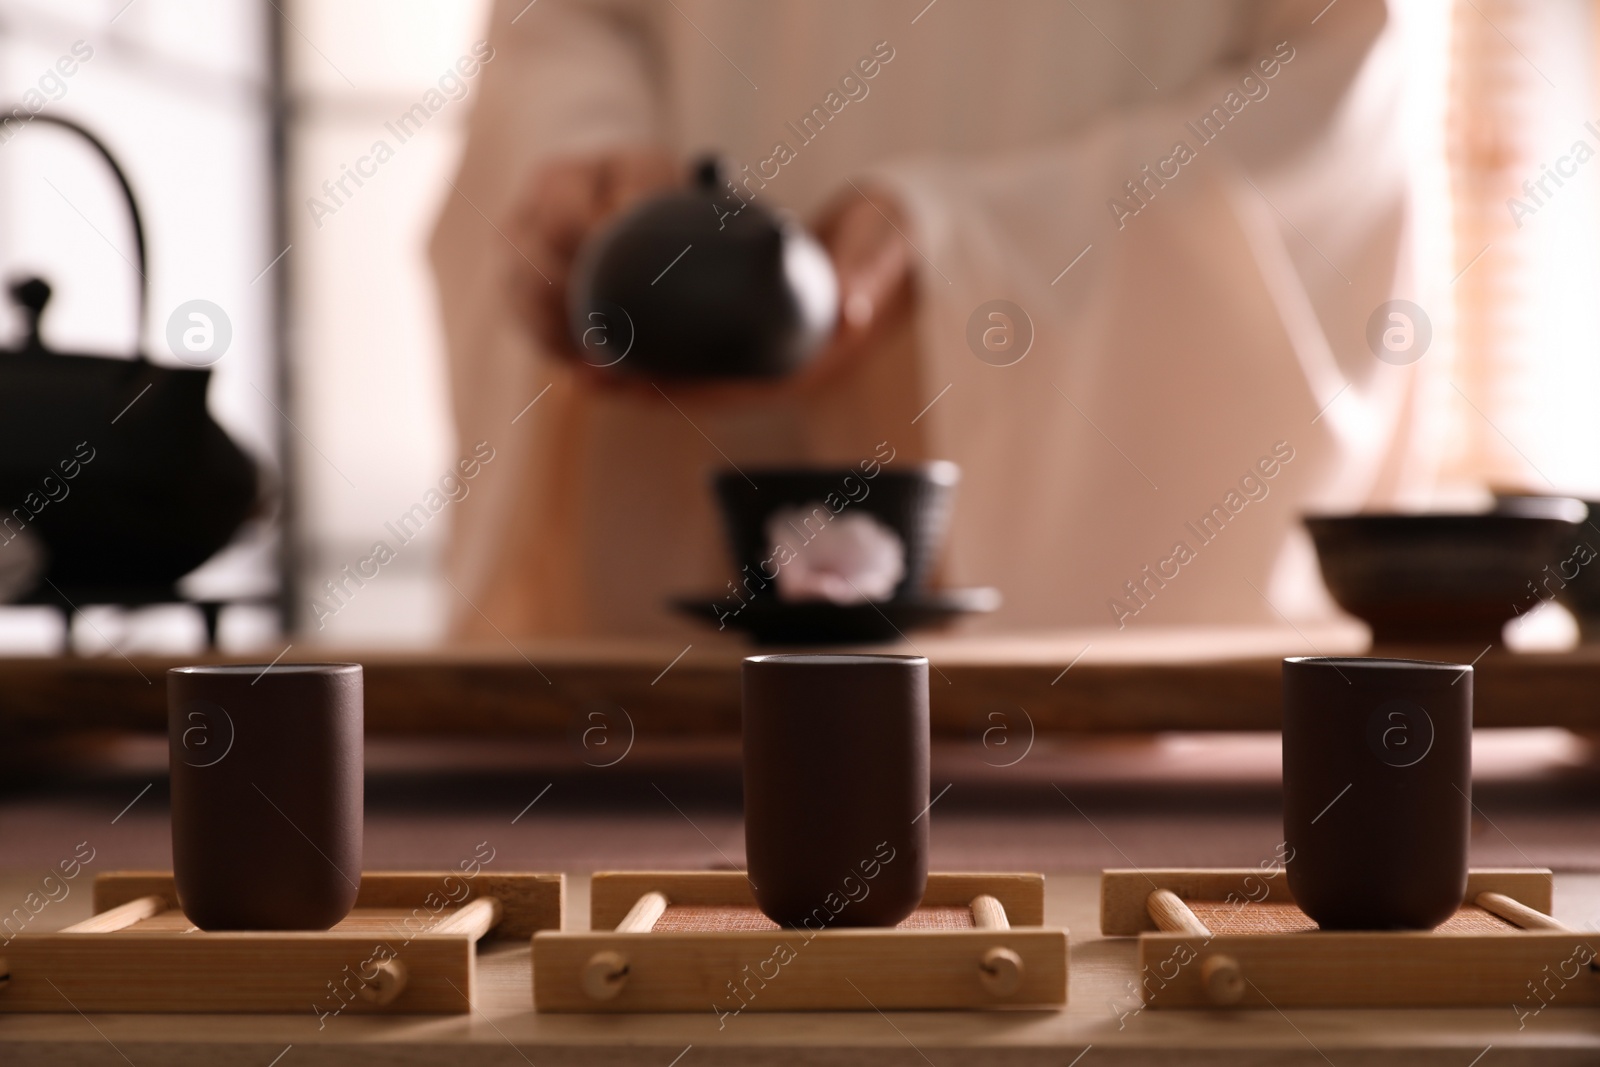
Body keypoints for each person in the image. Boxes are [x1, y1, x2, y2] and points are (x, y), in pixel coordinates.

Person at [431, 0, 1442, 639]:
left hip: (1089, 649)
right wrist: (593, 164)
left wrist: (956, 243)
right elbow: (565, 26)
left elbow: (1331, 89)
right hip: (661, 541)